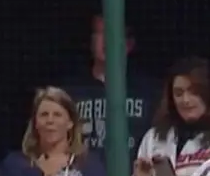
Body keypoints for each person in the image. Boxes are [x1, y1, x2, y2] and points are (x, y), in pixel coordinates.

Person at [63, 15, 155, 160]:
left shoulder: (148, 91)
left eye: (114, 34)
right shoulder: (71, 91)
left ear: (129, 44)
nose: (107, 40)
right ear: (91, 41)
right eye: (101, 33)